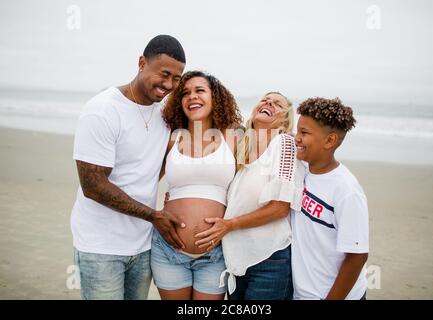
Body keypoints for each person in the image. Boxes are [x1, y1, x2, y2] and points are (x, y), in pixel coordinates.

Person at [71, 35, 186, 300]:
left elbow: (151, 167)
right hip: (100, 246)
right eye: (164, 74)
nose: (168, 85)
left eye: (176, 79)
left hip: (143, 245)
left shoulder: (165, 114)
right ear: (142, 63)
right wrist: (153, 216)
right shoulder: (102, 110)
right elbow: (93, 186)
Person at [194, 92, 304, 300]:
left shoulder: (284, 144)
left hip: (269, 259)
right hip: (236, 259)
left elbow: (280, 208)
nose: (268, 102)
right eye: (265, 99)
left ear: (285, 118)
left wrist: (230, 224)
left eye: (277, 103)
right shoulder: (243, 147)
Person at [151, 70, 243, 300]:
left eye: (200, 90)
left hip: (215, 253)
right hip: (168, 250)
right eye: (185, 93)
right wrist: (155, 214)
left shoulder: (233, 137)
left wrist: (287, 138)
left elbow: (257, 175)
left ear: (216, 98)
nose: (192, 96)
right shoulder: (172, 138)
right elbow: (145, 179)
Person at [291, 97, 369, 300]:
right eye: (297, 130)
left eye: (304, 133)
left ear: (329, 140)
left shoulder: (346, 190)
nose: (296, 138)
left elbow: (357, 256)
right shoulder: (303, 170)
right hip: (302, 293)